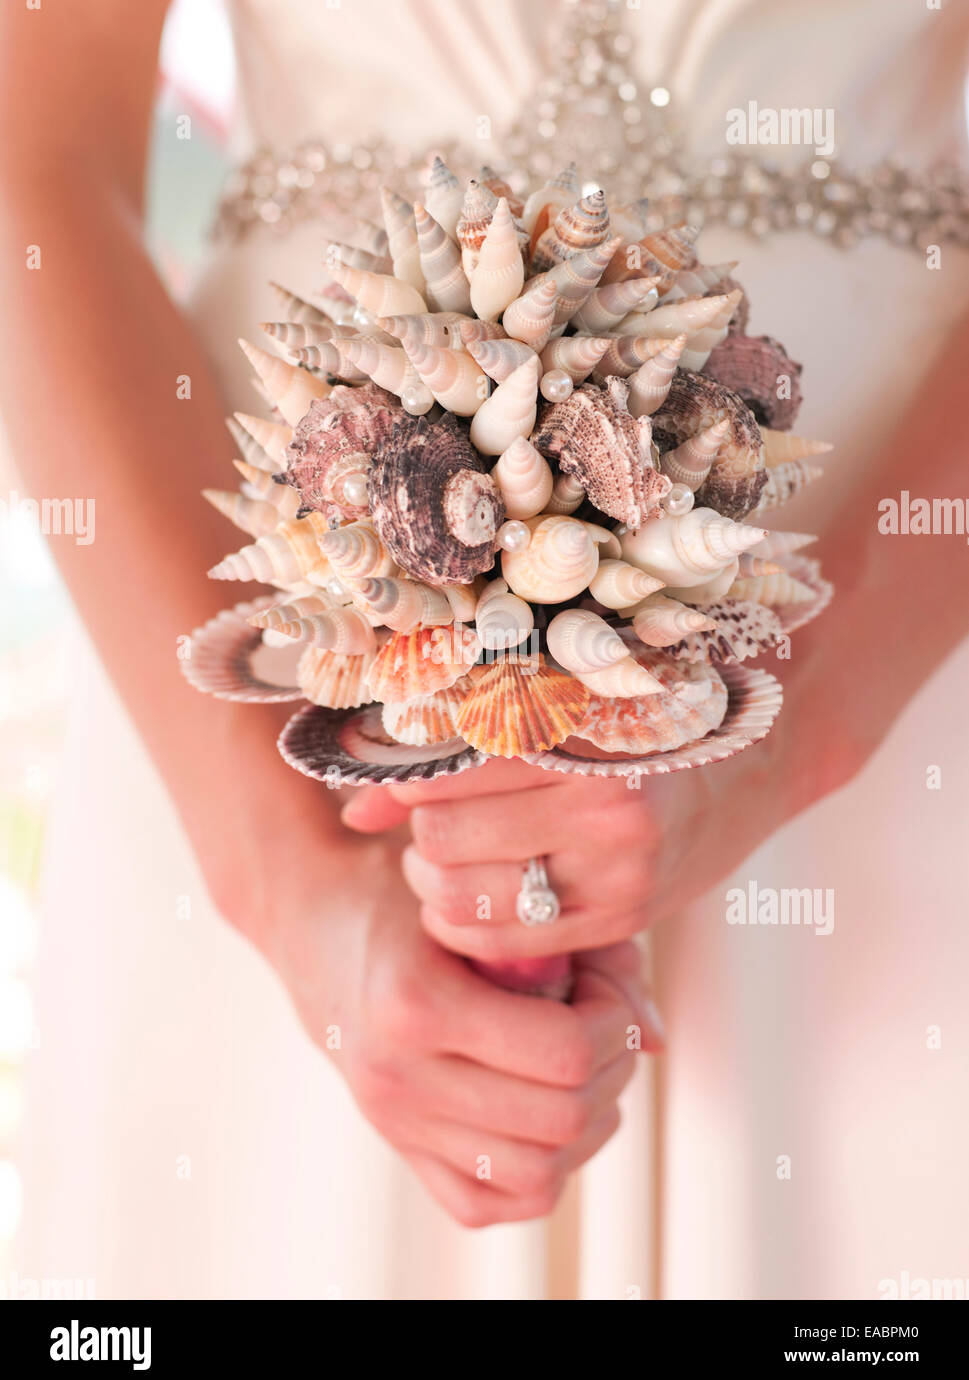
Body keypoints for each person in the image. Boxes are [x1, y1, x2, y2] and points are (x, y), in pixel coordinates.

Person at [2, 0, 967, 1298]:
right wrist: (293, 890)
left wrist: (779, 736)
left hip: (885, 608)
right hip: (299, 644)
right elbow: (34, 145)